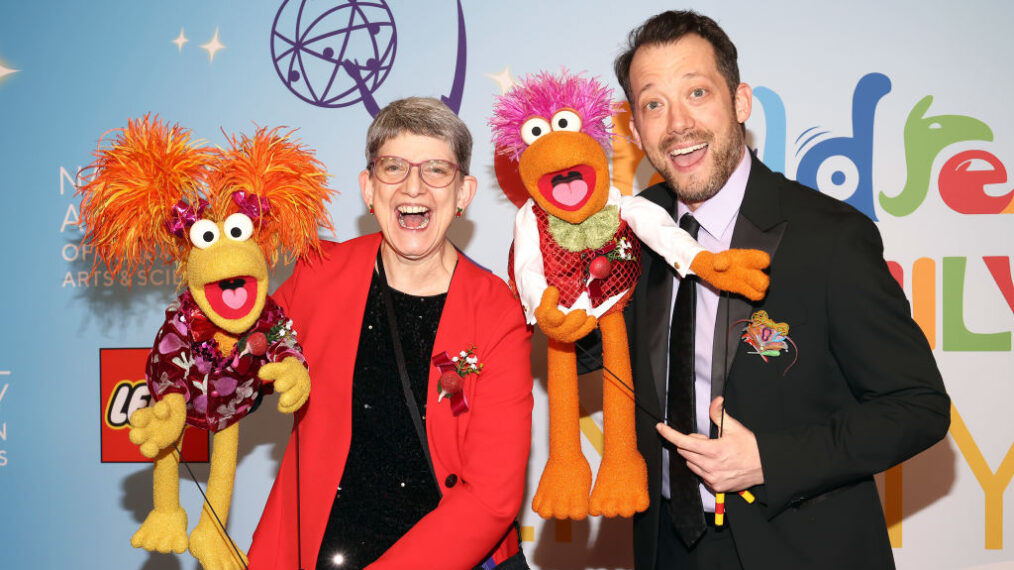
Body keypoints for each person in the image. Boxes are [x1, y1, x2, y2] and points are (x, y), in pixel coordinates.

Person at [581, 10, 950, 569]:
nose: (677, 123)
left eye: (697, 92)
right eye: (653, 103)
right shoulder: (626, 231)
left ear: (740, 102)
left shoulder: (830, 238)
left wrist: (768, 459)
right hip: (665, 547)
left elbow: (919, 407)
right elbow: (598, 356)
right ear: (635, 131)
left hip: (802, 546)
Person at [248, 97, 533, 569]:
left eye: (437, 170)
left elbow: (492, 497)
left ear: (464, 193)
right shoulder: (320, 274)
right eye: (393, 167)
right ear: (368, 187)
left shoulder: (496, 314)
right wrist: (193, 376)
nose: (413, 186)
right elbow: (239, 369)